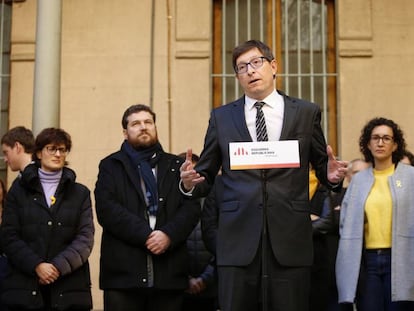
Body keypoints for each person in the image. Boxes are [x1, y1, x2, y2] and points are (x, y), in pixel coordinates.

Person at [180, 39, 348, 311]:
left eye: (256, 63)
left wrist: (332, 176)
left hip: (289, 237)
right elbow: (205, 176)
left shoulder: (305, 112)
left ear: (273, 66)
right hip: (238, 239)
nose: (250, 71)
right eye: (241, 67)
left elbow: (323, 167)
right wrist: (189, 183)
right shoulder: (222, 117)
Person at [94, 104, 201, 311]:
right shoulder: (110, 165)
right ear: (125, 133)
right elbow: (107, 210)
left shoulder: (175, 165)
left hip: (169, 276)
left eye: (148, 122)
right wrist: (147, 235)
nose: (143, 127)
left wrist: (168, 235)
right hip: (123, 277)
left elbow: (190, 209)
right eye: (135, 123)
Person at [1, 128, 94, 310]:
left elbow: (85, 239)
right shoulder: (18, 191)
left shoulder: (80, 193)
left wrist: (57, 267)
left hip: (69, 288)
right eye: (51, 149)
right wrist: (36, 265)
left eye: (62, 149)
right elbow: (9, 236)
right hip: (25, 287)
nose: (58, 154)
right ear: (38, 152)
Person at [336, 117, 414, 311]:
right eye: (375, 138)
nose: (380, 143)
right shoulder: (359, 180)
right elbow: (346, 221)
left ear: (395, 145)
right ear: (368, 144)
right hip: (368, 261)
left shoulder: (410, 176)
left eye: (387, 138)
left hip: (402, 259)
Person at [177, 152, 218, 311]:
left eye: (195, 172)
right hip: (178, 286)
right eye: (185, 172)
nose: (190, 177)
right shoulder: (170, 204)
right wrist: (186, 279)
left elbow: (221, 242)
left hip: (211, 285)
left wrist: (206, 278)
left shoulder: (213, 200)